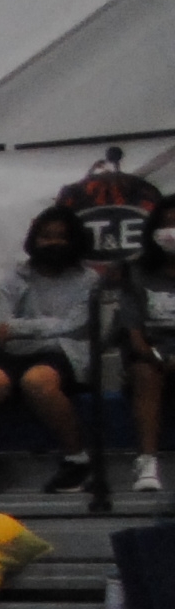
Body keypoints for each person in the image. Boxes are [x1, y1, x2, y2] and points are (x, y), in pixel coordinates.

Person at [0, 206, 100, 495]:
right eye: (47, 236)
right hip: (15, 353)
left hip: (63, 351)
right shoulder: (16, 277)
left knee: (37, 381)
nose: (53, 243)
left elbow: (74, 325)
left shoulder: (89, 279)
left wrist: (18, 328)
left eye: (62, 237)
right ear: (35, 239)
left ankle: (78, 460)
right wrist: (27, 328)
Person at [121, 213, 175, 497]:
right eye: (167, 223)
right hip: (152, 354)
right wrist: (156, 357)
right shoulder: (137, 273)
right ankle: (147, 461)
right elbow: (134, 333)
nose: (173, 231)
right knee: (144, 373)